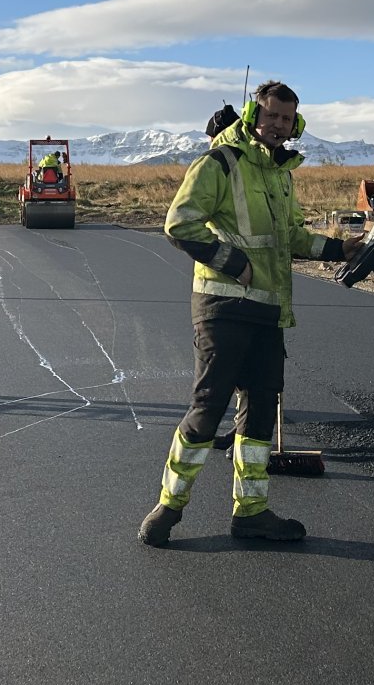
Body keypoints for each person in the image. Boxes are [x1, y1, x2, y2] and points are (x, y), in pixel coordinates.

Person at [137, 81, 350, 547]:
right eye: (271, 115)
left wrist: (339, 248)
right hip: (224, 306)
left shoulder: (280, 174)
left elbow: (291, 238)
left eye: (286, 119)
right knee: (208, 407)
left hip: (268, 311)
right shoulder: (220, 163)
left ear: (296, 124)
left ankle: (251, 512)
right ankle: (168, 509)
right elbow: (179, 223)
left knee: (257, 415)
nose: (278, 125)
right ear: (254, 114)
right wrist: (234, 263)